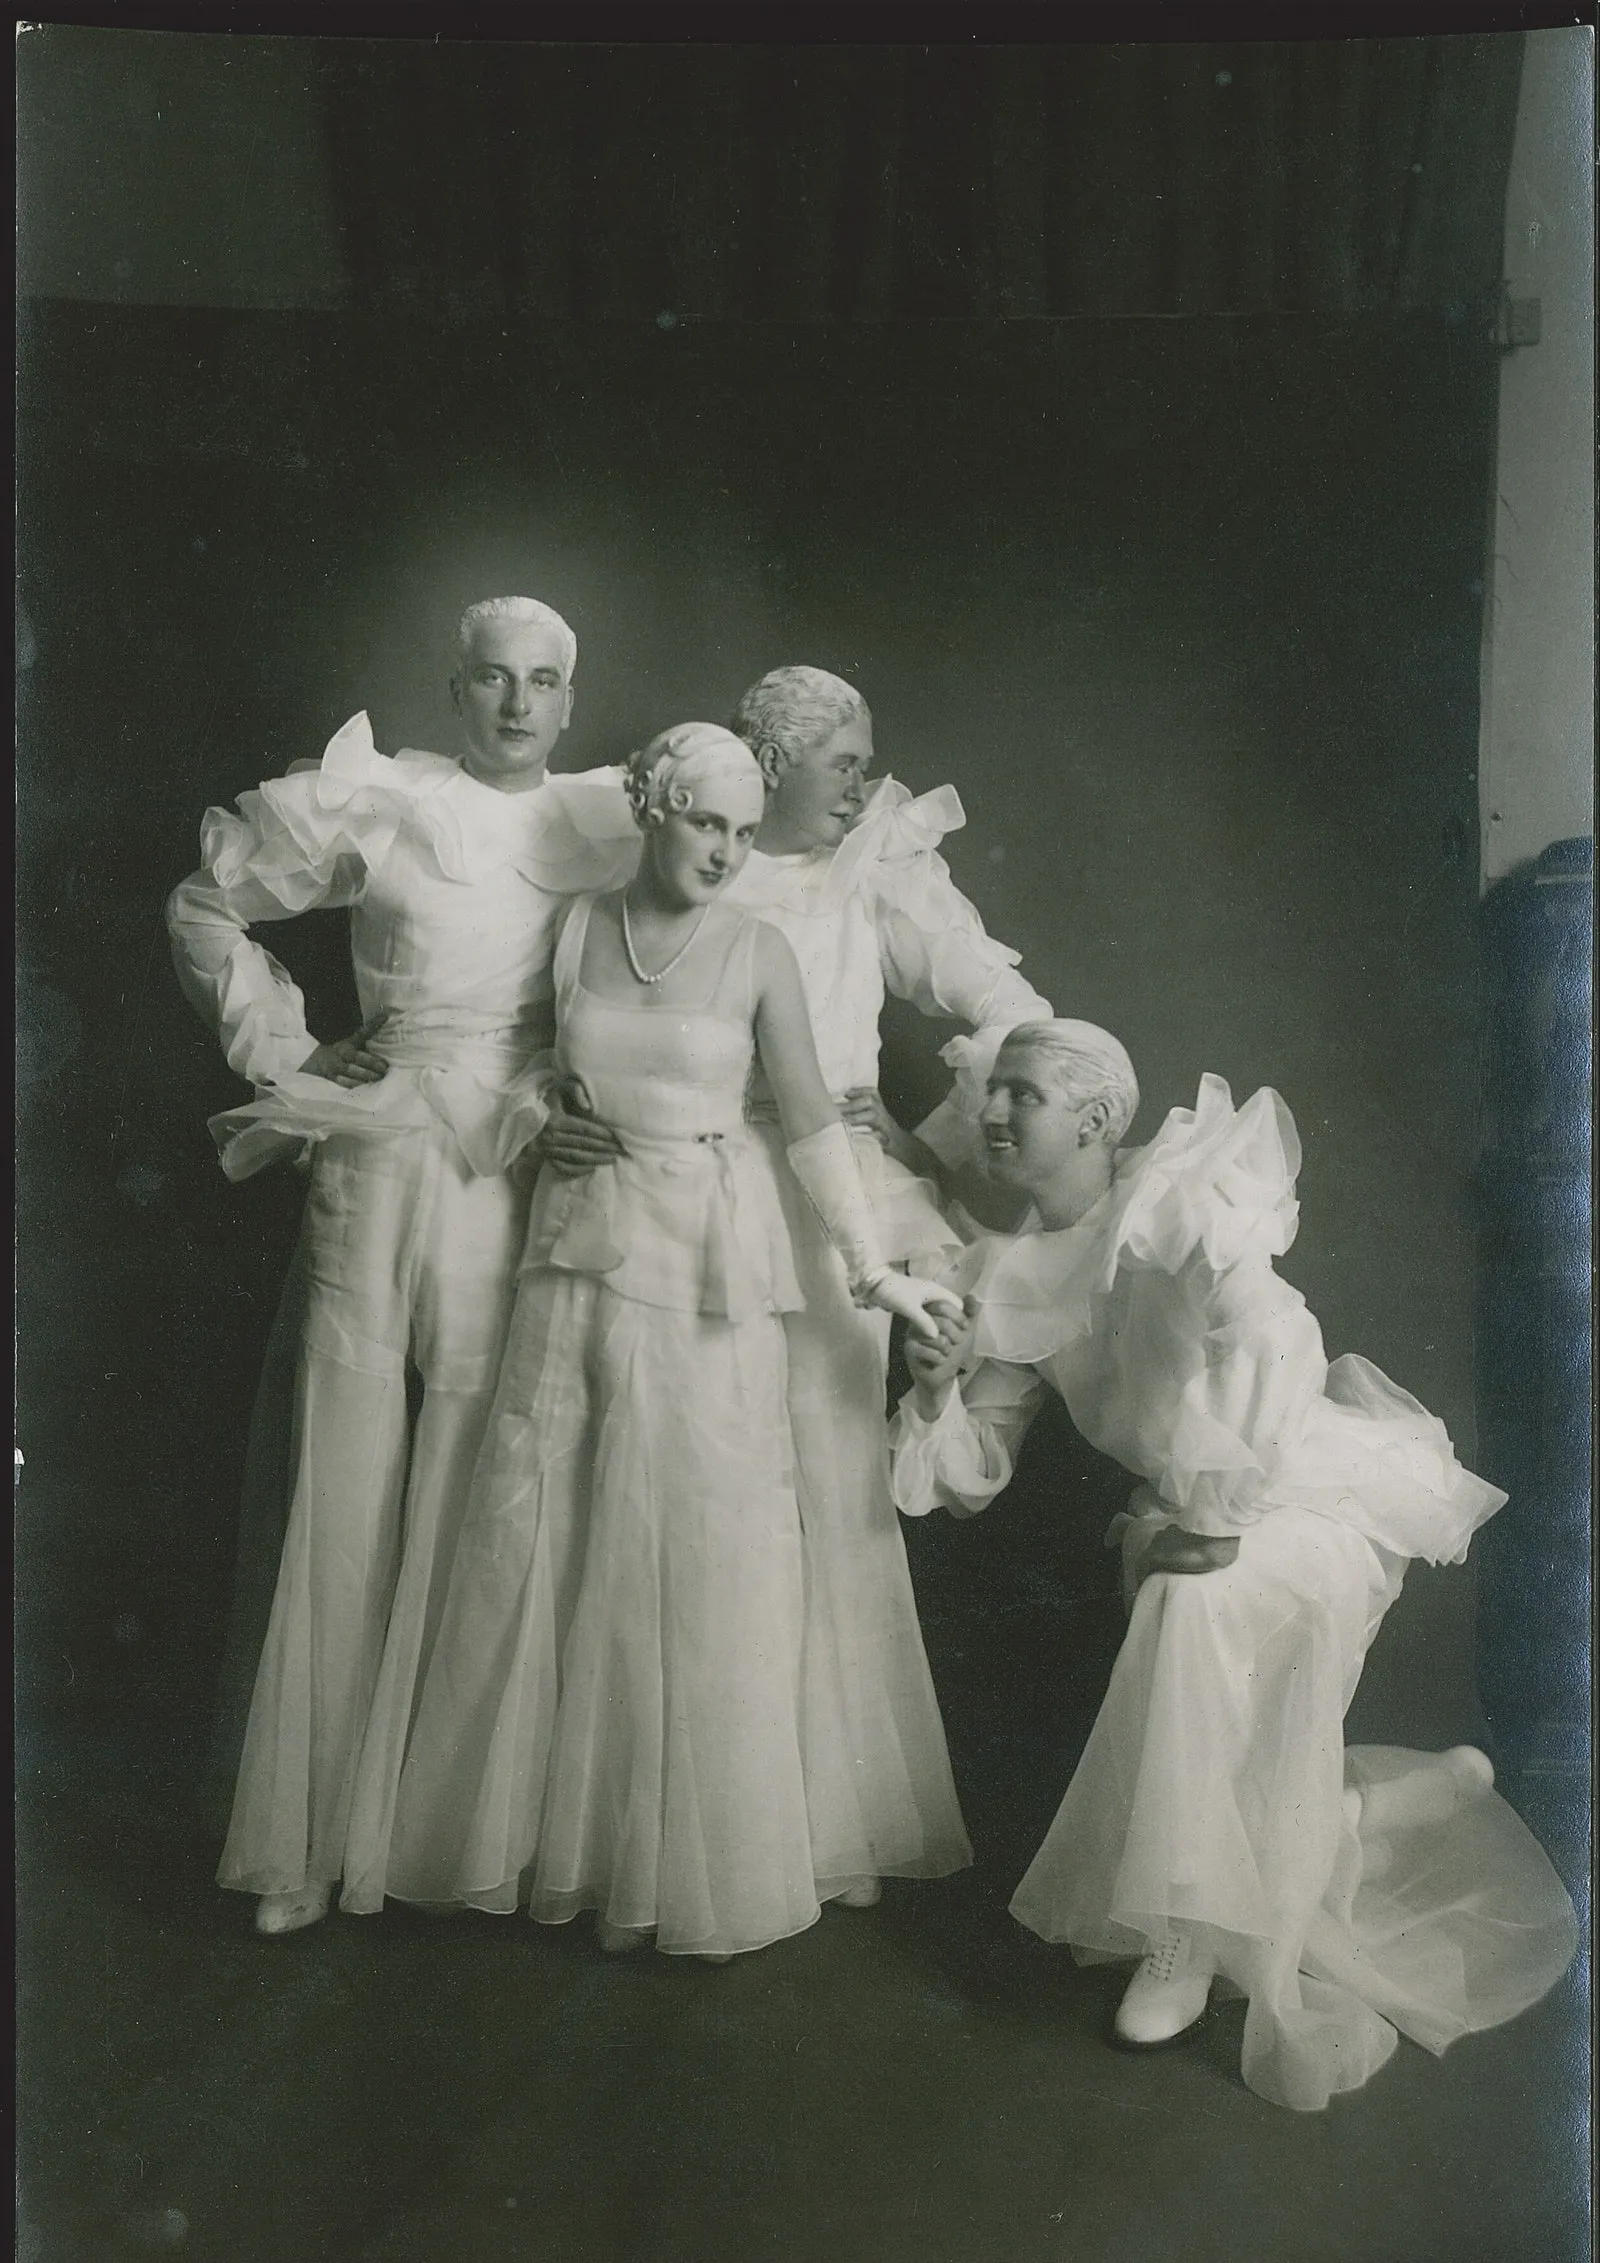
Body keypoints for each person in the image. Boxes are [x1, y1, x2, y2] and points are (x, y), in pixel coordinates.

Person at [890, 1019, 1579, 2111]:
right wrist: (936, 1393)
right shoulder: (1008, 1272)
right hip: (1196, 1511)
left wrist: (1220, 1513)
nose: (994, 1112)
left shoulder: (1176, 1195)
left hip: (1307, 1492)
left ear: (1096, 1118)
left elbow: (1275, 1340)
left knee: (1187, 1594)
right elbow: (973, 1470)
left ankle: (1182, 1937)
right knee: (1194, 1625)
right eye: (995, 1091)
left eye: (1023, 1093)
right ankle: (1371, 1811)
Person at [365, 725, 962, 1959]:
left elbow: (812, 1127)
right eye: (705, 824)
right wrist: (540, 1115)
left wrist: (875, 1272)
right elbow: (536, 1064)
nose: (727, 852)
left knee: (698, 1534)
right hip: (576, 1253)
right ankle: (568, 1850)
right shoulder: (578, 925)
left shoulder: (756, 948)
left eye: (743, 832)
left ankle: (685, 1860)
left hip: (703, 1267)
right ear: (653, 809)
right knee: (558, 1523)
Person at [166, 596, 639, 1936]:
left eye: (541, 681)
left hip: (511, 1159)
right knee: (347, 1453)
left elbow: (652, 985)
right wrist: (290, 1050)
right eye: (492, 678)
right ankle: (305, 1839)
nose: (516, 704)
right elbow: (205, 903)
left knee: (489, 1469)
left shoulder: (602, 823)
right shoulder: (384, 804)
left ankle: (453, 1826)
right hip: (376, 1151)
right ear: (454, 688)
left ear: (569, 699)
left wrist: (584, 1097)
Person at [720, 663, 1054, 1897]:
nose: (863, 785)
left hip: (843, 1201)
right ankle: (721, 1819)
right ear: (768, 763)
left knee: (829, 1483)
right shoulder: (693, 853)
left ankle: (832, 1821)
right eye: (844, 762)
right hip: (708, 1187)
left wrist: (932, 1137)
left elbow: (1008, 1010)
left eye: (866, 764)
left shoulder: (877, 868)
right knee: (716, 1482)